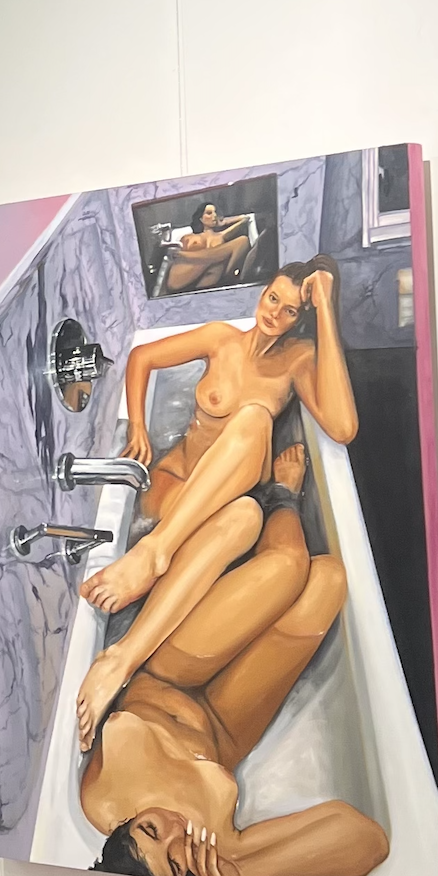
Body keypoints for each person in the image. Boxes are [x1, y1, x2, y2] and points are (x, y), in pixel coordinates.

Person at [73, 432, 388, 876]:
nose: (175, 832)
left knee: (287, 567)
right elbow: (367, 839)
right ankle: (274, 507)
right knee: (327, 581)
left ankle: (281, 496)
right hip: (225, 727)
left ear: (124, 825)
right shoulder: (222, 851)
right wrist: (240, 872)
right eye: (175, 861)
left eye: (150, 830)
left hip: (169, 676)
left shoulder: (100, 798)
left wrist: (117, 665)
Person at [78, 255, 355, 619]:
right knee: (218, 540)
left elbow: (342, 428)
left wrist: (326, 310)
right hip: (177, 480)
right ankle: (156, 558)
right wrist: (138, 426)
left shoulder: (297, 361)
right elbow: (143, 357)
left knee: (254, 422)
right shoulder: (221, 339)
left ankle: (158, 567)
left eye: (289, 311)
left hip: (239, 496)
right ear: (263, 293)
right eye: (273, 298)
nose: (274, 313)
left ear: (300, 319)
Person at [160, 203, 255, 294]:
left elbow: (244, 219)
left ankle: (225, 278)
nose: (214, 216)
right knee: (238, 244)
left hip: (205, 282)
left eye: (215, 213)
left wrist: (224, 222)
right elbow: (178, 257)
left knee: (242, 242)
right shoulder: (189, 237)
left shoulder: (220, 236)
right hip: (182, 276)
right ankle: (221, 270)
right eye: (209, 213)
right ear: (201, 218)